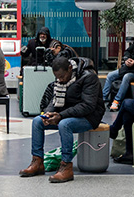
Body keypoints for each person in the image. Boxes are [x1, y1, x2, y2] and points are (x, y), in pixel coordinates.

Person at [18, 55, 104, 183]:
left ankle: (66, 166)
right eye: (57, 77)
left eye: (62, 77)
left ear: (70, 68)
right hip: (67, 114)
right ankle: (37, 162)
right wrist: (48, 113)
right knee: (37, 121)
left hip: (89, 117)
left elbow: (88, 106)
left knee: (64, 124)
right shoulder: (61, 77)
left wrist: (61, 115)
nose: (60, 80)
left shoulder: (89, 77)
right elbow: (55, 98)